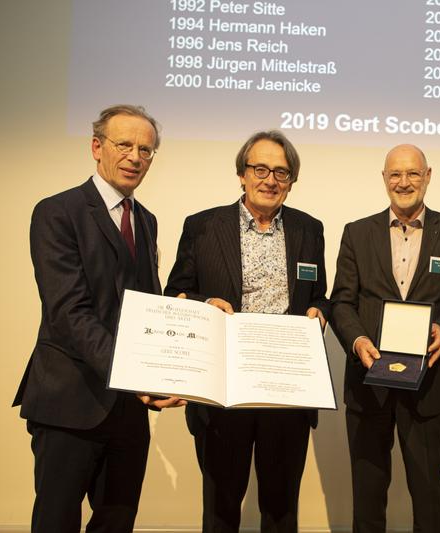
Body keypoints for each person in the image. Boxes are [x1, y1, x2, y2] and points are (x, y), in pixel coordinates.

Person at [13, 104, 184, 533]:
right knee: (57, 522)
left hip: (127, 408)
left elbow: (147, 305)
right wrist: (136, 372)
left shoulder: (145, 220)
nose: (135, 157)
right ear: (96, 147)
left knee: (117, 522)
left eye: (146, 150)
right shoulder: (57, 212)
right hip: (70, 401)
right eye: (124, 144)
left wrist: (180, 334)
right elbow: (68, 312)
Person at [164, 130, 330, 533]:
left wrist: (320, 314)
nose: (270, 180)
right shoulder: (202, 226)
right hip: (223, 394)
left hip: (286, 393)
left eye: (282, 172)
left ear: (292, 181)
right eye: (260, 169)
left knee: (280, 508)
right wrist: (204, 305)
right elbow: (175, 292)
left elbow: (321, 295)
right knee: (221, 507)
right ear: (241, 173)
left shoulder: (310, 229)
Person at [330, 144, 440, 533]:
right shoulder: (356, 233)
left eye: (413, 173)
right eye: (395, 174)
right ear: (384, 179)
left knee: (429, 495)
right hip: (368, 384)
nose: (404, 182)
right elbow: (341, 303)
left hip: (426, 386)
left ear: (428, 176)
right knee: (367, 496)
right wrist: (357, 341)